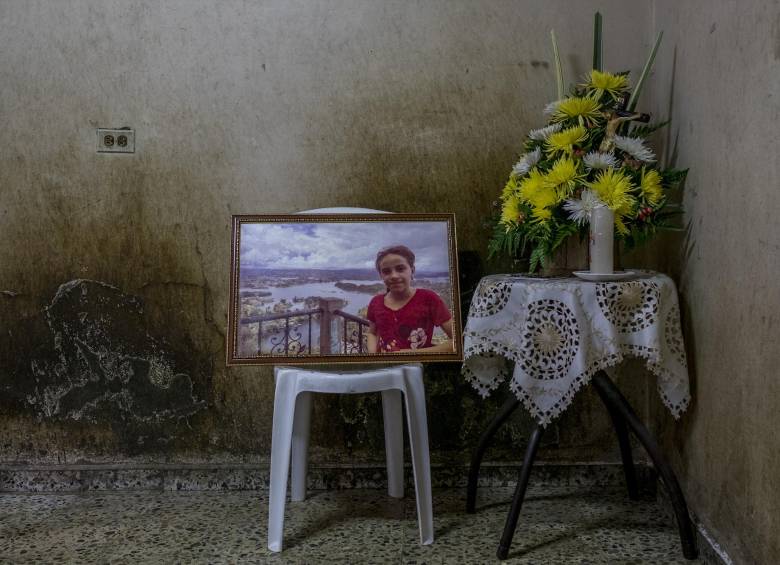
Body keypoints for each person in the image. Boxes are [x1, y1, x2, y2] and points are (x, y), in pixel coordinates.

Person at [366, 245, 454, 354]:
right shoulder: (376, 302)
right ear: (381, 276)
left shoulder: (429, 299)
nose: (393, 275)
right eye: (386, 271)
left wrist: (409, 354)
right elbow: (372, 333)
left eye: (400, 268)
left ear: (412, 270)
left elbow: (458, 342)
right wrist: (372, 355)